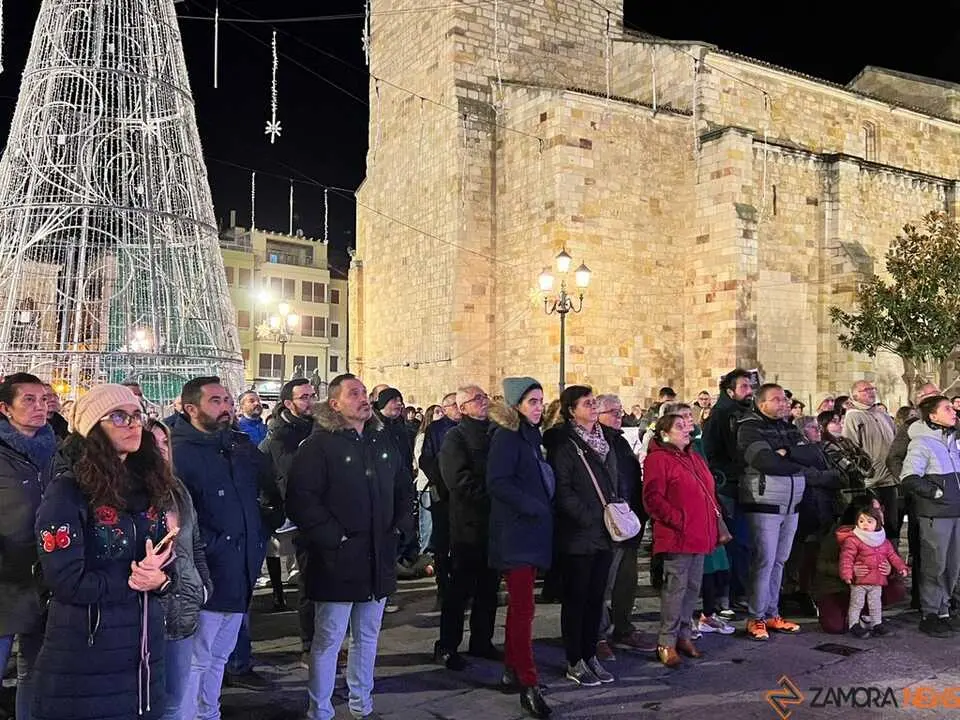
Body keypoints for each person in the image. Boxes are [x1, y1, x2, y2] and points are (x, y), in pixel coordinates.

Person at [31, 384, 175, 720]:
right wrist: (133, 581)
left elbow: (167, 563)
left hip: (144, 651)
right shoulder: (67, 492)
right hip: (88, 649)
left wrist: (160, 579)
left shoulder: (149, 486)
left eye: (137, 415)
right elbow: (66, 580)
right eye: (119, 416)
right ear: (93, 428)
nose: (133, 424)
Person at [286, 374, 414, 720]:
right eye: (353, 394)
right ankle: (321, 709)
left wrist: (401, 528)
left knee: (368, 636)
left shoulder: (379, 440)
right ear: (335, 404)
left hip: (378, 554)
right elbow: (302, 499)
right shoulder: (318, 445)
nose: (363, 399)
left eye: (363, 393)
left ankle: (362, 704)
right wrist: (334, 538)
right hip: (337, 560)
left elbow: (403, 484)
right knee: (328, 639)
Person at [172, 377, 282, 718]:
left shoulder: (238, 444)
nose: (226, 407)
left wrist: (262, 529)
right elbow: (177, 512)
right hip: (206, 570)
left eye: (227, 400)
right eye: (216, 401)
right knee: (197, 658)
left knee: (220, 654)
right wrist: (211, 547)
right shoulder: (179, 452)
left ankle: (210, 710)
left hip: (242, 563)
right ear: (191, 409)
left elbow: (266, 486)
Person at [487, 378, 553, 719]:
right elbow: (497, 482)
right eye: (532, 401)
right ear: (516, 405)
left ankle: (513, 667)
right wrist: (531, 505)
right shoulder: (507, 437)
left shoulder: (530, 436)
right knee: (524, 610)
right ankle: (529, 682)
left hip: (531, 533)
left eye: (541, 401)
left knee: (521, 609)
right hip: (516, 535)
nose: (539, 407)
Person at [546, 385, 615, 687]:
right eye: (587, 403)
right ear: (572, 410)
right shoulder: (565, 443)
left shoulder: (605, 439)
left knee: (595, 598)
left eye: (594, 401)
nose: (593, 406)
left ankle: (590, 654)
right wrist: (590, 518)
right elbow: (563, 489)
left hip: (605, 533)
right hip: (578, 534)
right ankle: (575, 659)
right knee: (576, 599)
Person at [146, 419, 214, 720]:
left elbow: (194, 544)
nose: (161, 451)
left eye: (165, 444)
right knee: (146, 700)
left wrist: (202, 586)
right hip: (147, 613)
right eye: (153, 444)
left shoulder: (178, 489)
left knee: (175, 697)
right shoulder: (126, 493)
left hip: (184, 609)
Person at [0, 373, 58, 720]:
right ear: (5, 409)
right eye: (29, 400)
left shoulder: (58, 448)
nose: (41, 407)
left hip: (46, 579)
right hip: (5, 580)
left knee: (34, 674)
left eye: (44, 399)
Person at [643, 414, 718, 668]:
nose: (687, 429)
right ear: (665, 433)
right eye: (680, 426)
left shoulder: (694, 457)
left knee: (692, 589)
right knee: (675, 590)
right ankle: (666, 641)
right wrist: (679, 520)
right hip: (678, 536)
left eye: (688, 426)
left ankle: (684, 635)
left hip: (698, 534)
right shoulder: (658, 459)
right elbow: (653, 497)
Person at [900, 394, 960, 638]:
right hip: (936, 513)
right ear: (933, 416)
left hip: (955, 511)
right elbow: (909, 477)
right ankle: (930, 612)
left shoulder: (951, 440)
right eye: (947, 409)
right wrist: (935, 492)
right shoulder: (921, 443)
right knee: (935, 564)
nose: (954, 412)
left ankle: (944, 609)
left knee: (952, 565)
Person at [839, 504, 909, 638]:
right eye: (861, 521)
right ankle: (853, 624)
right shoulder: (853, 540)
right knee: (856, 603)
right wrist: (847, 574)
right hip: (860, 581)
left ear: (877, 522)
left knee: (876, 604)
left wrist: (901, 568)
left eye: (869, 521)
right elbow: (846, 558)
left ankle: (877, 623)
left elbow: (893, 556)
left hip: (877, 580)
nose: (865, 524)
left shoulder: (883, 540)